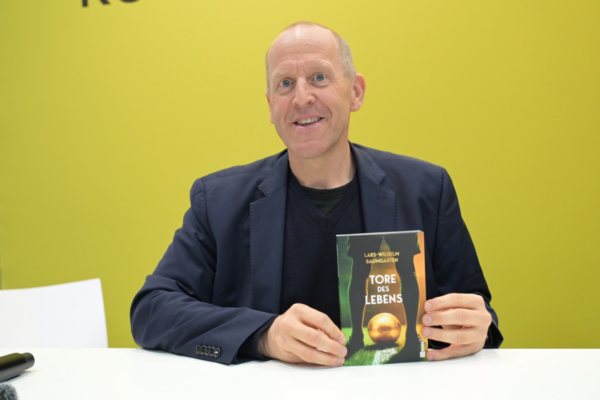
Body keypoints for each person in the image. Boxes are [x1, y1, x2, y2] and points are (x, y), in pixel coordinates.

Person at [130, 22, 503, 367]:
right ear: (270, 106)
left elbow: (478, 314)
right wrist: (264, 335)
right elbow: (151, 310)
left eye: (319, 77)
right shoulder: (218, 202)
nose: (301, 97)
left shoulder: (426, 189)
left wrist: (477, 328)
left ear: (355, 92)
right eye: (285, 84)